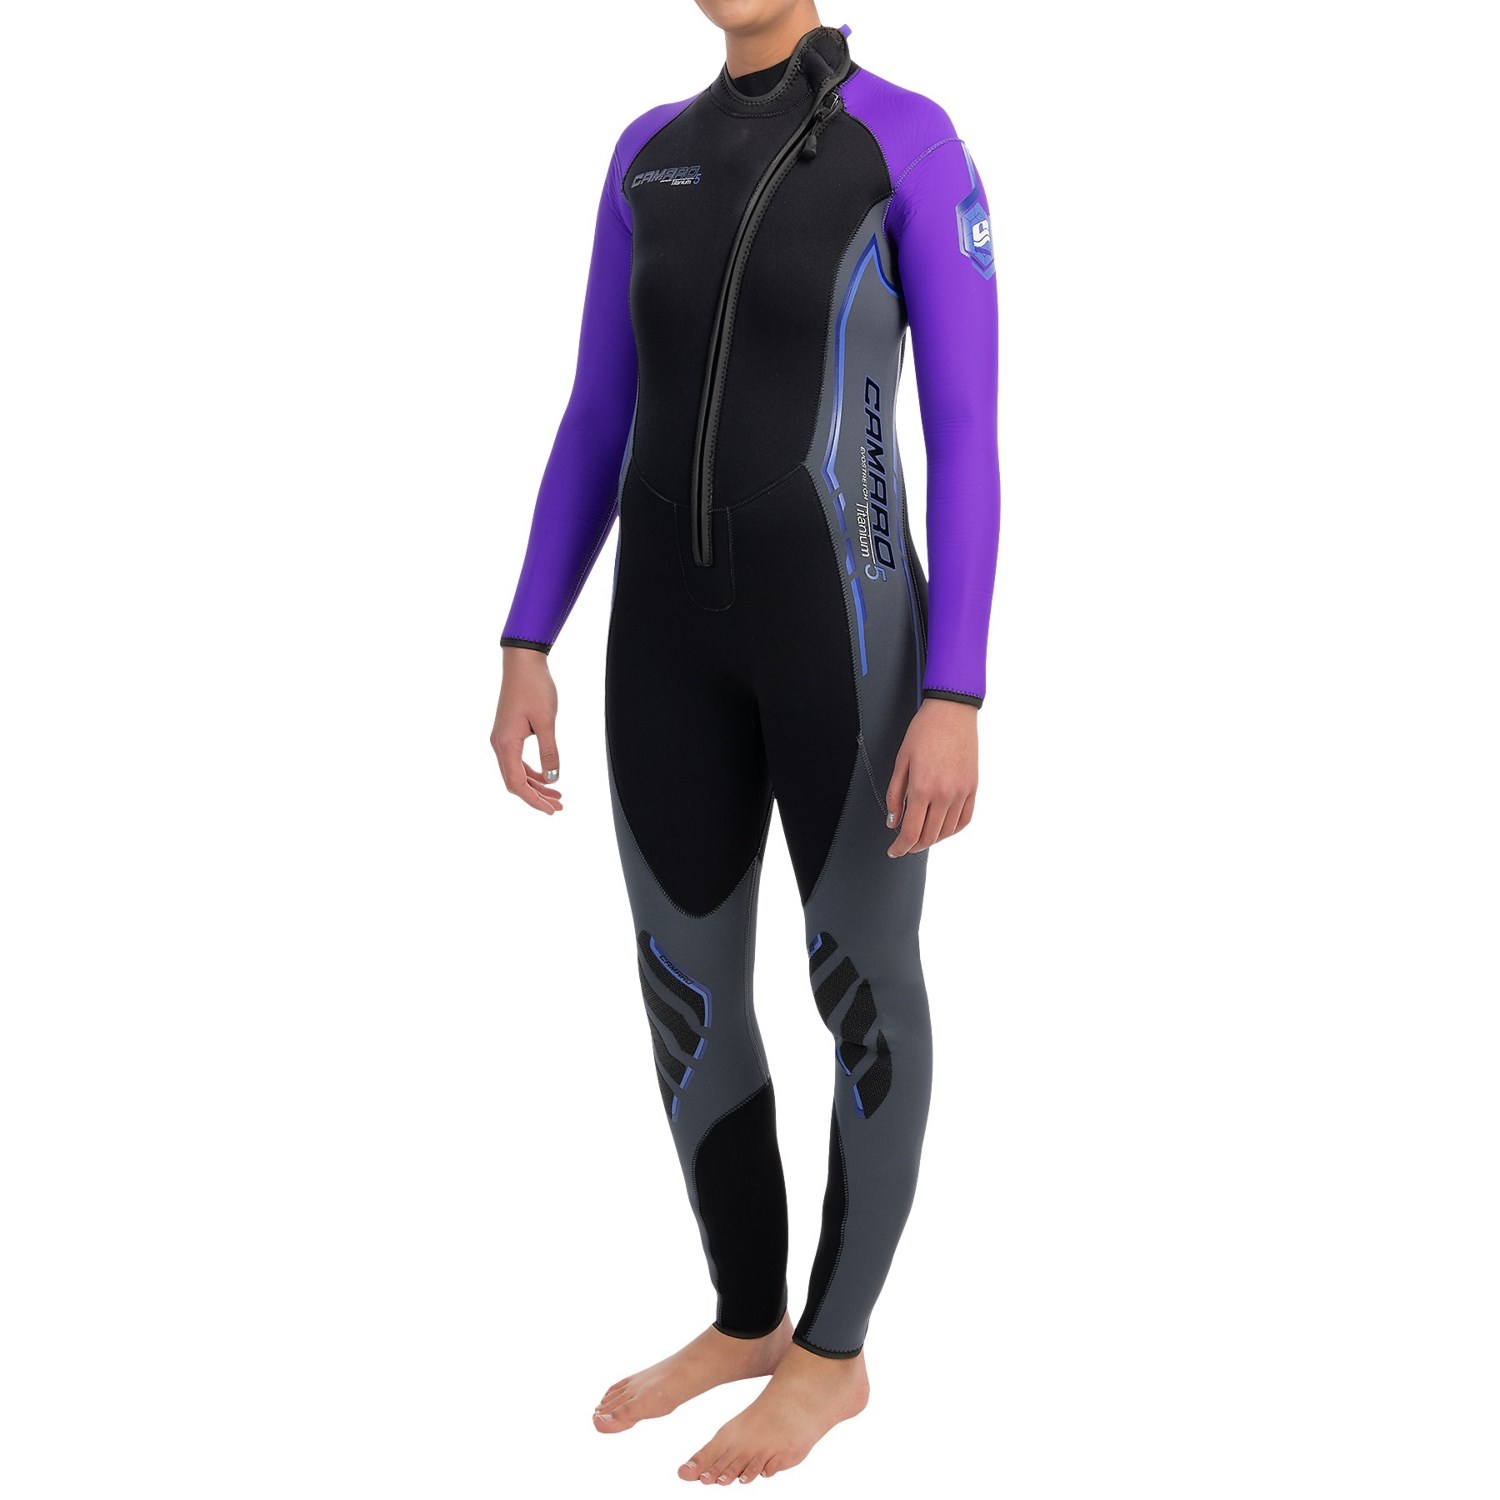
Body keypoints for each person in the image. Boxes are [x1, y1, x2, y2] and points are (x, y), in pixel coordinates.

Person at [490, 2, 1000, 1484]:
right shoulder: (645, 154)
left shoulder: (912, 143)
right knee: (684, 990)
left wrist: (957, 690)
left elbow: (968, 433)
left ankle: (833, 1357)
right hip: (661, 646)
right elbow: (598, 412)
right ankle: (745, 1317)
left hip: (848, 646)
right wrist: (526, 637)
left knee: (861, 985)